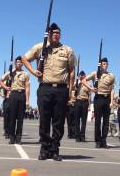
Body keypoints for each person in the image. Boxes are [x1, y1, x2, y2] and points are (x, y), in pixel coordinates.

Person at [22, 23, 76, 161]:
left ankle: (55, 149)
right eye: (54, 32)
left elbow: (71, 71)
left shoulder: (67, 50)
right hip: (45, 88)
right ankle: (44, 149)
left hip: (62, 89)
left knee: (58, 122)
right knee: (44, 121)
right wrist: (34, 72)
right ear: (49, 34)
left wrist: (71, 90)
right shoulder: (41, 47)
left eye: (58, 32)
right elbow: (24, 58)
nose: (56, 35)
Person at [82, 57, 115, 148]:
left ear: (108, 64)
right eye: (103, 64)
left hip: (107, 99)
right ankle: (97, 141)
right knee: (97, 121)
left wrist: (111, 102)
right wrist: (91, 89)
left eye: (106, 64)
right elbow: (83, 80)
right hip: (98, 98)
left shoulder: (111, 76)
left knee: (106, 121)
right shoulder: (95, 73)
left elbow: (112, 90)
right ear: (100, 65)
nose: (104, 65)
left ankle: (103, 141)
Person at [0, 56, 30, 144]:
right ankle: (12, 137)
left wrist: (27, 100)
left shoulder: (26, 74)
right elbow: (0, 81)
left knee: (20, 118)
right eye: (17, 62)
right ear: (15, 63)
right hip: (13, 95)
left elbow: (28, 87)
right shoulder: (11, 72)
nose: (19, 64)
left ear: (22, 64)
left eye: (20, 62)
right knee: (12, 117)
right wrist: (6, 87)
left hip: (22, 95)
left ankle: (18, 138)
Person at [74, 71, 90, 142]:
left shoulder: (88, 83)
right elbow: (72, 87)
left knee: (84, 120)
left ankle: (82, 136)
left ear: (85, 76)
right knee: (77, 120)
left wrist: (89, 104)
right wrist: (77, 82)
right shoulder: (77, 82)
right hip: (78, 101)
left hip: (85, 102)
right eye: (81, 75)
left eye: (83, 75)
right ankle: (77, 136)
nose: (82, 76)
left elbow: (89, 94)